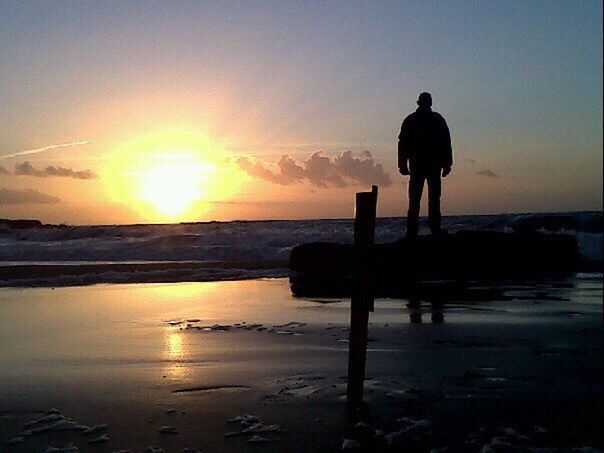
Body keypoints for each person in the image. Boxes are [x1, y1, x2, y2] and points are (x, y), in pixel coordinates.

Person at [398, 92, 452, 238]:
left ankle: (414, 231)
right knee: (431, 198)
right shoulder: (436, 119)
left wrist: (402, 164)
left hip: (421, 165)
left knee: (417, 199)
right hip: (430, 165)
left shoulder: (411, 120)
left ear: (418, 103)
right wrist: (447, 164)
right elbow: (446, 142)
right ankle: (430, 229)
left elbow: (402, 144)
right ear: (430, 103)